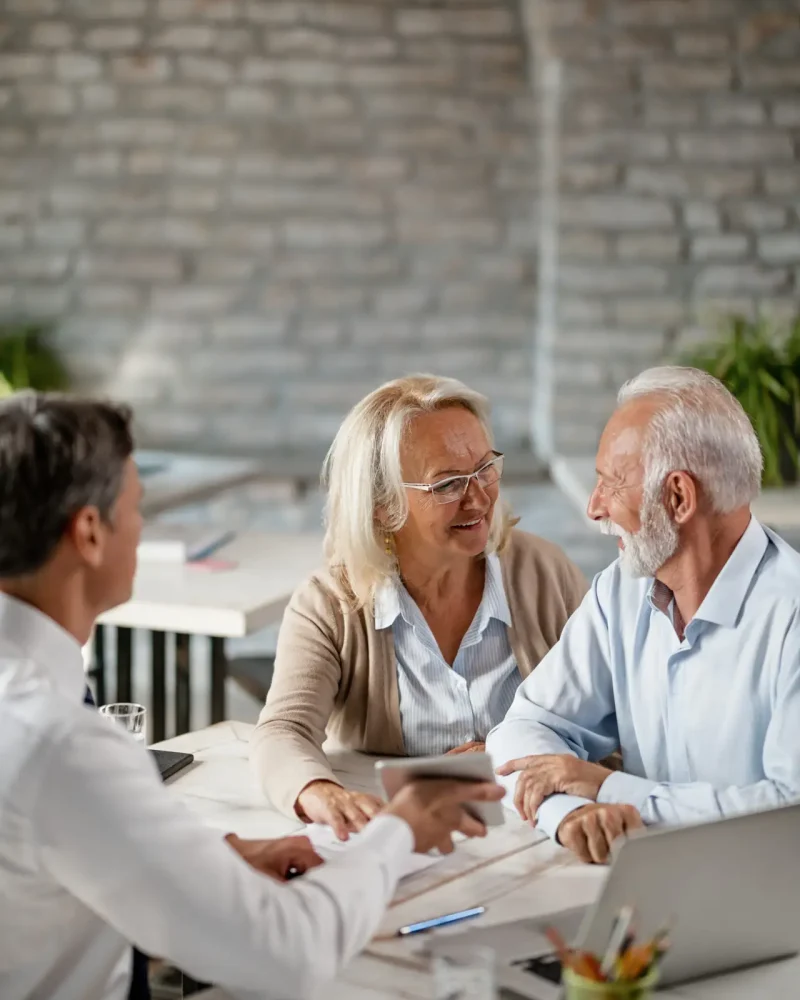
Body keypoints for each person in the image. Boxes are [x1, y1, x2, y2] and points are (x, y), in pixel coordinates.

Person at [0, 392, 504, 1000]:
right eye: (137, 508)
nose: (144, 526)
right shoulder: (63, 743)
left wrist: (211, 864)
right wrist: (398, 831)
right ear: (88, 533)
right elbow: (288, 952)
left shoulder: (35, 711)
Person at [251, 374, 587, 838]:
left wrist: (507, 754)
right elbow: (283, 731)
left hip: (540, 833)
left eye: (485, 468)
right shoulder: (330, 602)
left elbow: (607, 725)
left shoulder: (545, 574)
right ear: (382, 506)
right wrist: (319, 791)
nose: (479, 496)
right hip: (399, 839)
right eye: (447, 484)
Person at [487, 366, 800, 865]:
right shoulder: (621, 591)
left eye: (611, 484)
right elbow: (521, 731)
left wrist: (612, 789)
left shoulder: (791, 616)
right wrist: (569, 813)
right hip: (641, 887)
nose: (594, 507)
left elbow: (788, 815)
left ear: (678, 497)